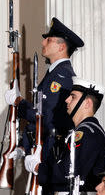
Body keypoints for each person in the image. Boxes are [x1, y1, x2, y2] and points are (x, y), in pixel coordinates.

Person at [5, 17, 84, 162]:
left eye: (49, 40)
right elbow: (38, 120)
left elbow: (46, 116)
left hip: (49, 151)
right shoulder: (54, 73)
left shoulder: (62, 76)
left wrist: (19, 102)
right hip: (41, 148)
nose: (43, 42)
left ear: (61, 47)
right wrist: (24, 147)